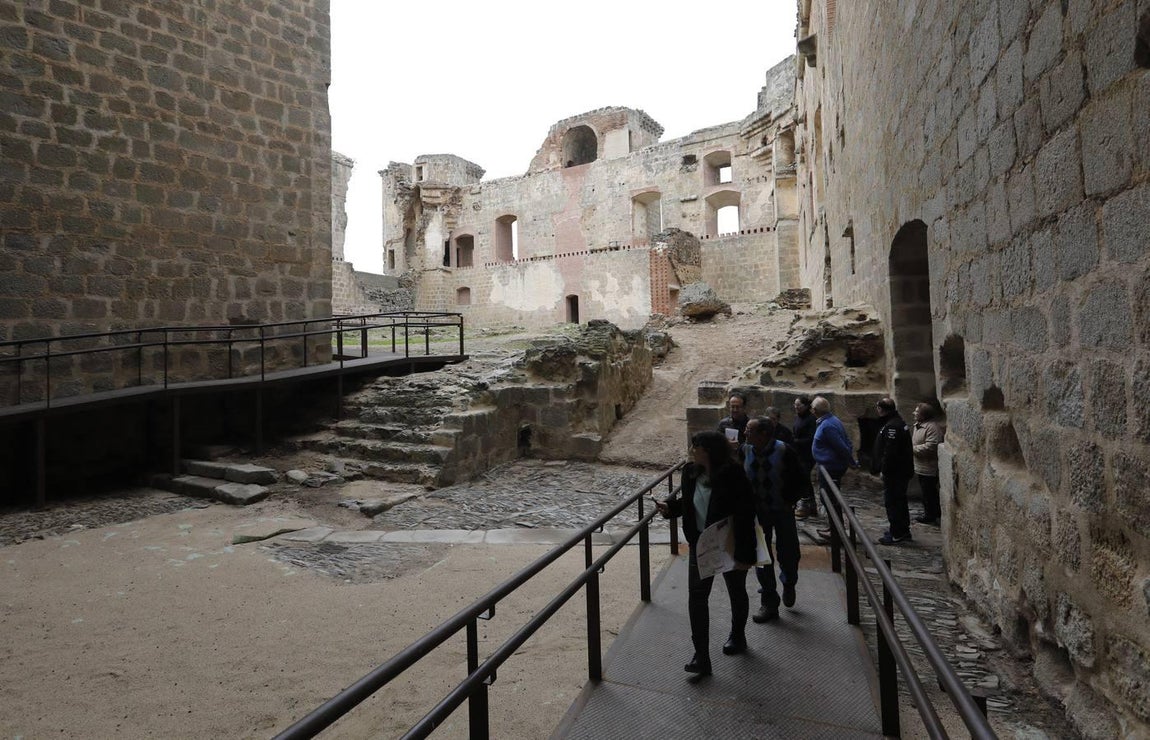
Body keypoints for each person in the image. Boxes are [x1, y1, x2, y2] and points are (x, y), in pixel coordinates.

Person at [657, 430, 756, 677]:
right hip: (700, 544)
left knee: (736, 590)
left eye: (696, 447)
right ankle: (701, 655)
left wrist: (746, 554)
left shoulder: (732, 474)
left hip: (729, 543)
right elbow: (691, 504)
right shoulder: (690, 473)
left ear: (708, 451)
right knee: (697, 598)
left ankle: (738, 635)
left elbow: (745, 513)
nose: (692, 451)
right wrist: (670, 508)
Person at [743, 416, 810, 622]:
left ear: (763, 434)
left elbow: (801, 479)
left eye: (749, 430)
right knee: (762, 557)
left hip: (782, 510)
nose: (745, 433)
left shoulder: (784, 451)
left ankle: (789, 582)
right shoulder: (745, 450)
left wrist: (791, 500)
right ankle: (769, 601)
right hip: (758, 513)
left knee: (788, 552)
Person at [810, 396, 856, 540]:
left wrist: (851, 461)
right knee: (828, 498)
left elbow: (842, 446)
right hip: (829, 466)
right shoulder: (831, 420)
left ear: (815, 410)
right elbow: (847, 441)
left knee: (829, 498)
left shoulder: (828, 425)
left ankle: (836, 530)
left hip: (831, 468)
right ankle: (834, 527)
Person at [872, 397, 914, 545]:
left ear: (882, 409)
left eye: (878, 408)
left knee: (893, 502)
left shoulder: (892, 426)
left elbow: (891, 452)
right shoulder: (896, 422)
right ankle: (901, 530)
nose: (877, 410)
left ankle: (897, 533)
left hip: (895, 473)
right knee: (899, 501)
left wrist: (884, 470)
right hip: (899, 472)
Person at [911, 402, 945, 525]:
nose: (914, 413)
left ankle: (931, 514)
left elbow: (931, 446)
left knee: (929, 492)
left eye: (916, 412)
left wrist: (912, 449)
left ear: (924, 415)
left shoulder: (932, 427)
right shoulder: (918, 425)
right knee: (926, 491)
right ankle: (930, 512)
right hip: (921, 465)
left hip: (929, 466)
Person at [791, 395, 818, 517]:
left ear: (806, 406)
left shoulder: (811, 419)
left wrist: (795, 441)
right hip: (799, 453)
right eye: (795, 405)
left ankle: (805, 504)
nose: (796, 407)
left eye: (799, 405)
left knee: (804, 478)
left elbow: (811, 438)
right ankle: (811, 505)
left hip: (807, 454)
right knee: (805, 478)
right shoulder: (798, 417)